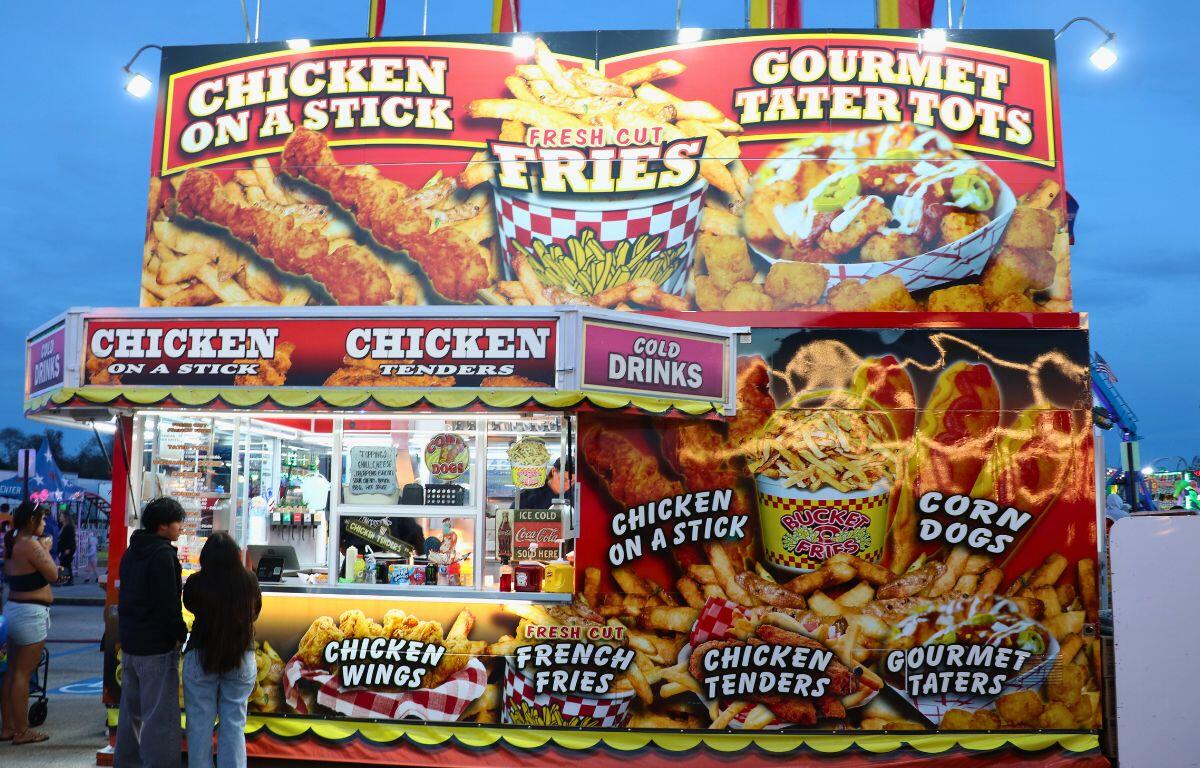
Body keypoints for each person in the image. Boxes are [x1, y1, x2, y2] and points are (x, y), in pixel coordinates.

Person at [115, 497, 188, 768]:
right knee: (160, 716)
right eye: (177, 521)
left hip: (132, 643)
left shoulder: (132, 551)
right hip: (156, 646)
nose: (181, 526)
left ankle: (127, 763)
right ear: (162, 525)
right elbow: (167, 605)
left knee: (131, 712)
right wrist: (180, 633)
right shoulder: (162, 556)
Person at [182, 532, 261, 768]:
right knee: (234, 724)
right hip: (240, 656)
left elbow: (190, 606)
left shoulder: (196, 582)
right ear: (236, 556)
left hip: (201, 655)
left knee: (198, 725)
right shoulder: (249, 580)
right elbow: (254, 613)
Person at [1, 502, 57, 745]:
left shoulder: (13, 541)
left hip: (14, 609)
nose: (45, 524)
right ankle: (22, 731)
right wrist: (45, 549)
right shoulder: (31, 544)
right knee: (23, 673)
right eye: (42, 519)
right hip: (31, 614)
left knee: (11, 672)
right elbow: (53, 574)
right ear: (31, 521)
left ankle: (8, 727)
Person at [56, 509, 76, 586]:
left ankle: (68, 580)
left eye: (61, 516)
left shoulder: (69, 527)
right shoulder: (62, 526)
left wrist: (68, 548)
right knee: (65, 563)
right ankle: (67, 579)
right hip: (64, 547)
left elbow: (71, 538)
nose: (59, 518)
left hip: (68, 548)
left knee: (65, 563)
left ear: (65, 517)